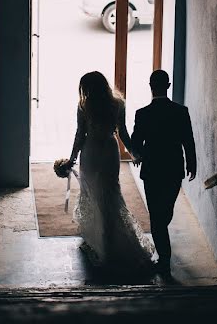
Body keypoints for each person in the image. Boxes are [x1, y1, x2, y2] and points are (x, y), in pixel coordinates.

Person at [69, 71, 154, 272]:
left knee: (91, 194)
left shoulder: (84, 106)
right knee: (110, 193)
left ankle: (99, 240)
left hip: (90, 151)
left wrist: (72, 158)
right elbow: (122, 132)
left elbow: (80, 134)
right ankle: (109, 237)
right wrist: (133, 152)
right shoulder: (117, 104)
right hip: (109, 150)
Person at [130, 69, 197, 276]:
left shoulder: (142, 114)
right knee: (164, 213)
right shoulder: (181, 111)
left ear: (151, 87)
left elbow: (135, 143)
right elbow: (188, 141)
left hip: (151, 170)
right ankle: (165, 259)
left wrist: (139, 155)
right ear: (168, 86)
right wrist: (192, 164)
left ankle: (164, 258)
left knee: (157, 216)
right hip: (174, 169)